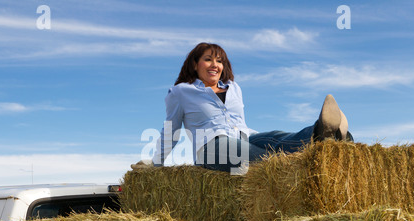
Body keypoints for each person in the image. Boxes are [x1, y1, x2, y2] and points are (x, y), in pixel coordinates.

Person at [132, 42, 353, 173]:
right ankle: (326, 140)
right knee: (266, 159)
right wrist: (156, 163)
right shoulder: (181, 92)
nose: (215, 65)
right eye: (208, 59)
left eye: (219, 61)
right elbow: (171, 130)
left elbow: (241, 123)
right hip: (212, 147)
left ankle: (324, 133)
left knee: (279, 137)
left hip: (245, 135)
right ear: (194, 64)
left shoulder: (234, 88)